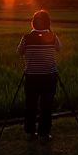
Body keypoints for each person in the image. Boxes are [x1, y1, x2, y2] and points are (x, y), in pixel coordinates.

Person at [17, 10, 61, 142]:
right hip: (49, 76)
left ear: (33, 23)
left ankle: (30, 133)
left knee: (30, 105)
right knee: (46, 106)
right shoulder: (53, 37)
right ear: (48, 23)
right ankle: (44, 135)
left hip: (31, 76)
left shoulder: (26, 37)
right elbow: (59, 49)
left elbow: (20, 52)